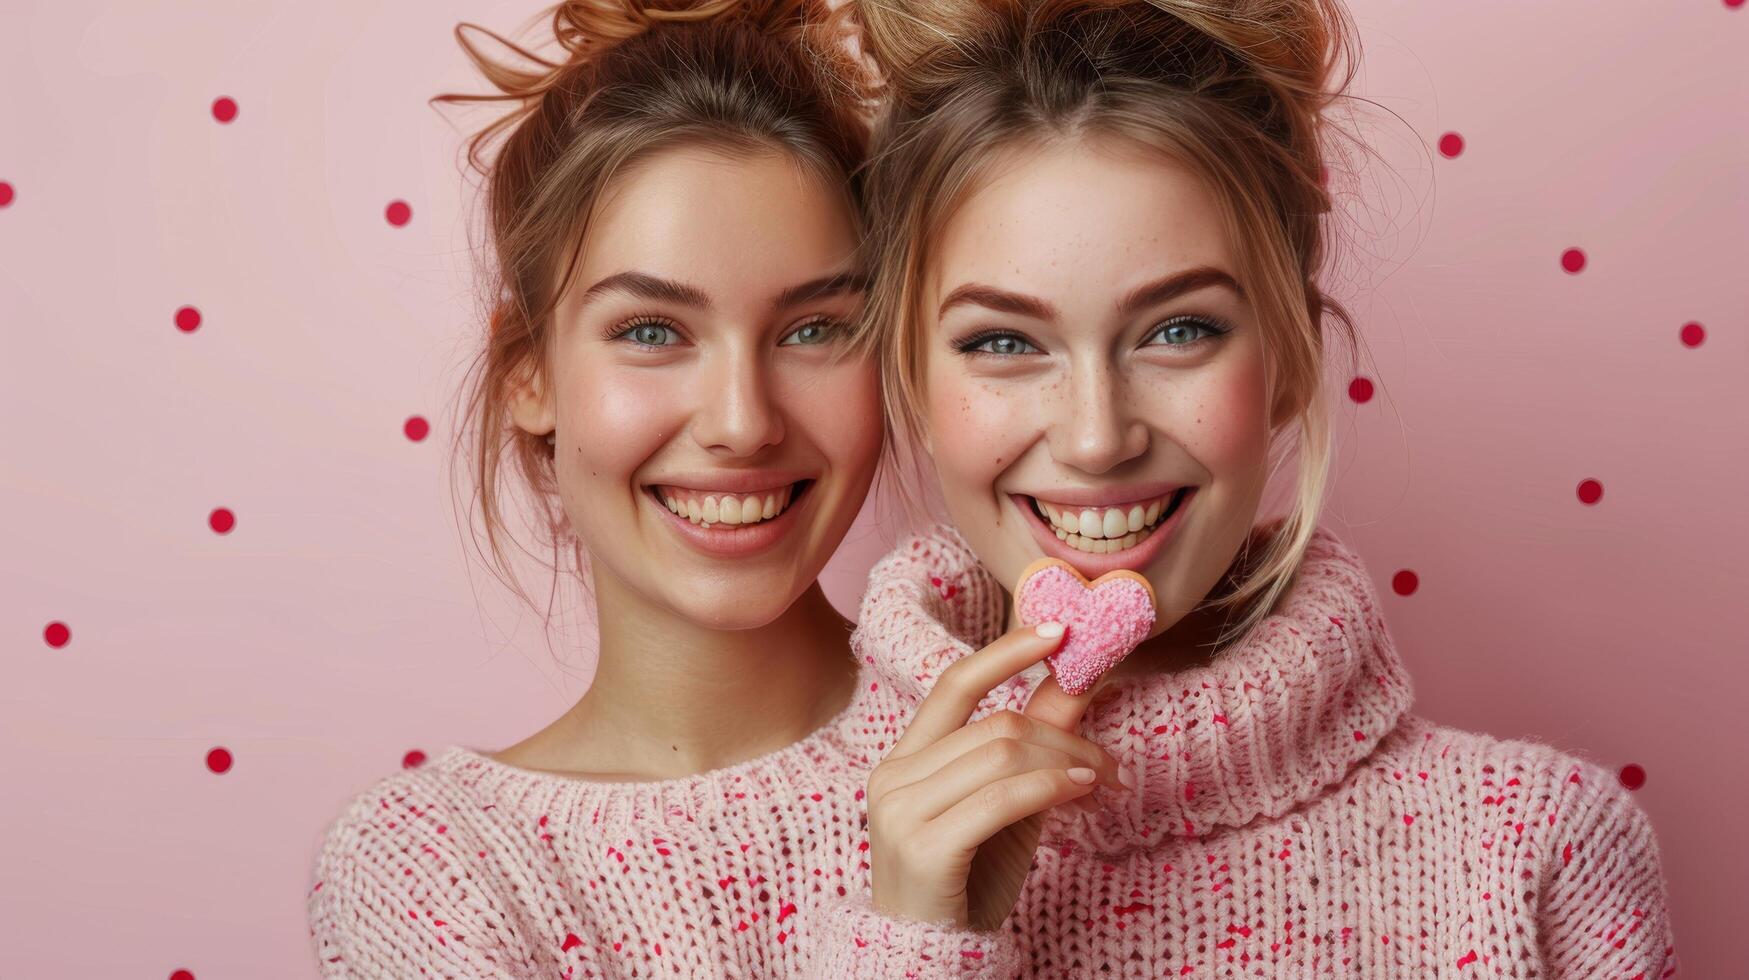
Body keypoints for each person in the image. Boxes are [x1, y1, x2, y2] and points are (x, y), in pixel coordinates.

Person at [818, 0, 1682, 975]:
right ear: (913, 383)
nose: (1099, 438)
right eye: (1004, 342)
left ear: (1290, 358)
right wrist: (913, 945)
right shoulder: (742, 834)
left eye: (1179, 329)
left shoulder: (1538, 852)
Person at [303, 2, 915, 974]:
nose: (742, 419)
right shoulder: (443, 869)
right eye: (651, 331)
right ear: (530, 373)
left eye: (812, 329)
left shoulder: (1026, 728)